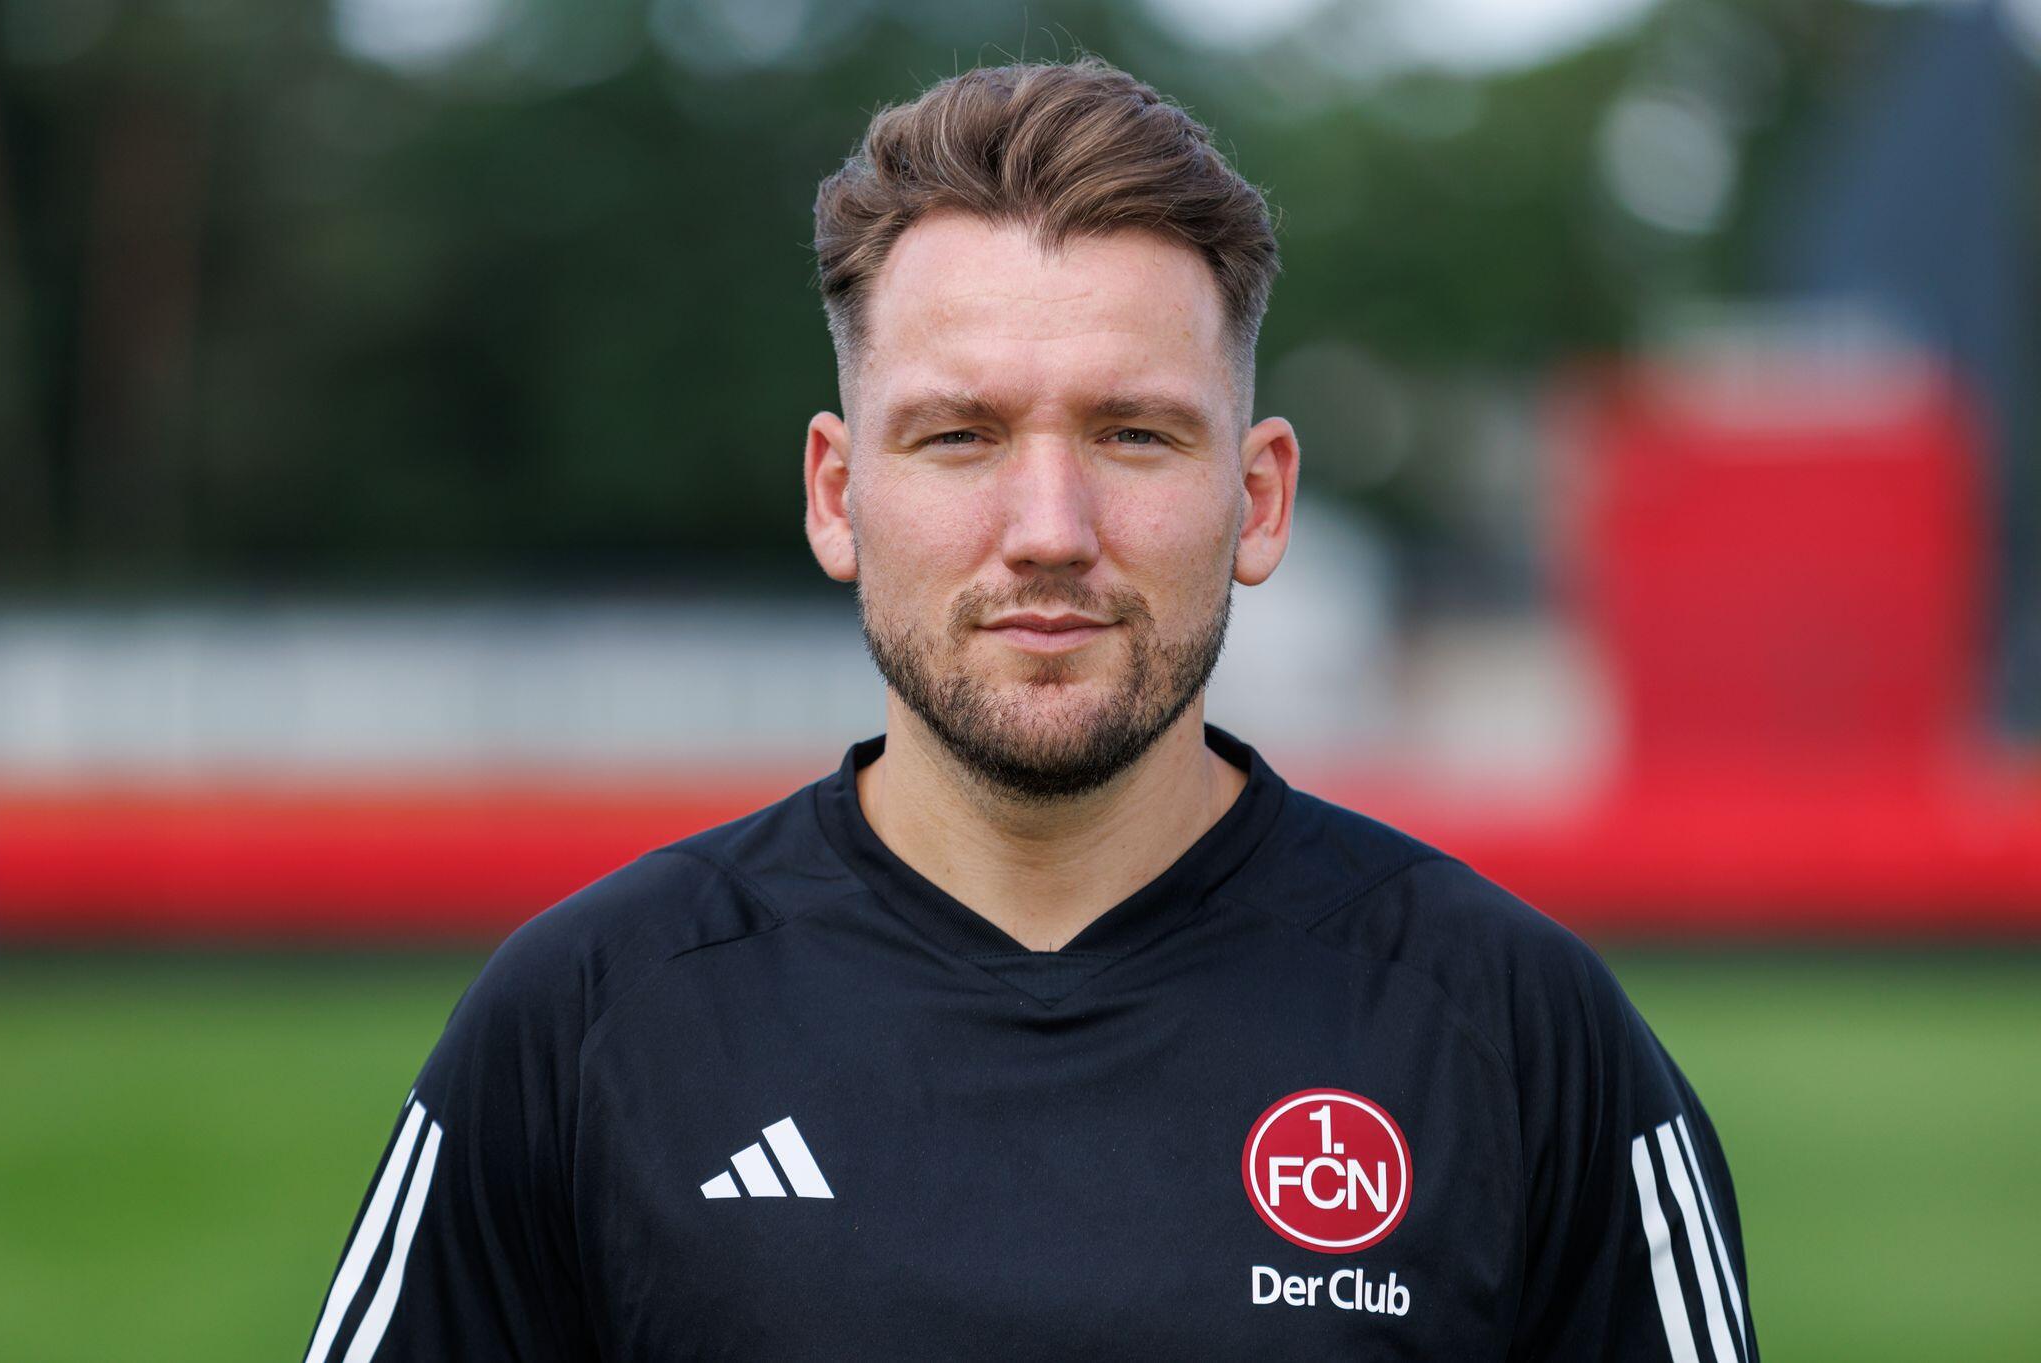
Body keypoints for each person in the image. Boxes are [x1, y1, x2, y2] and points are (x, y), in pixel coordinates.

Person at [301, 56, 1757, 1362]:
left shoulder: (1518, 1038)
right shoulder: (585, 1026)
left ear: (1258, 500)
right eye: (960, 435)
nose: (1050, 528)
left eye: (1133, 434)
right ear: (837, 494)